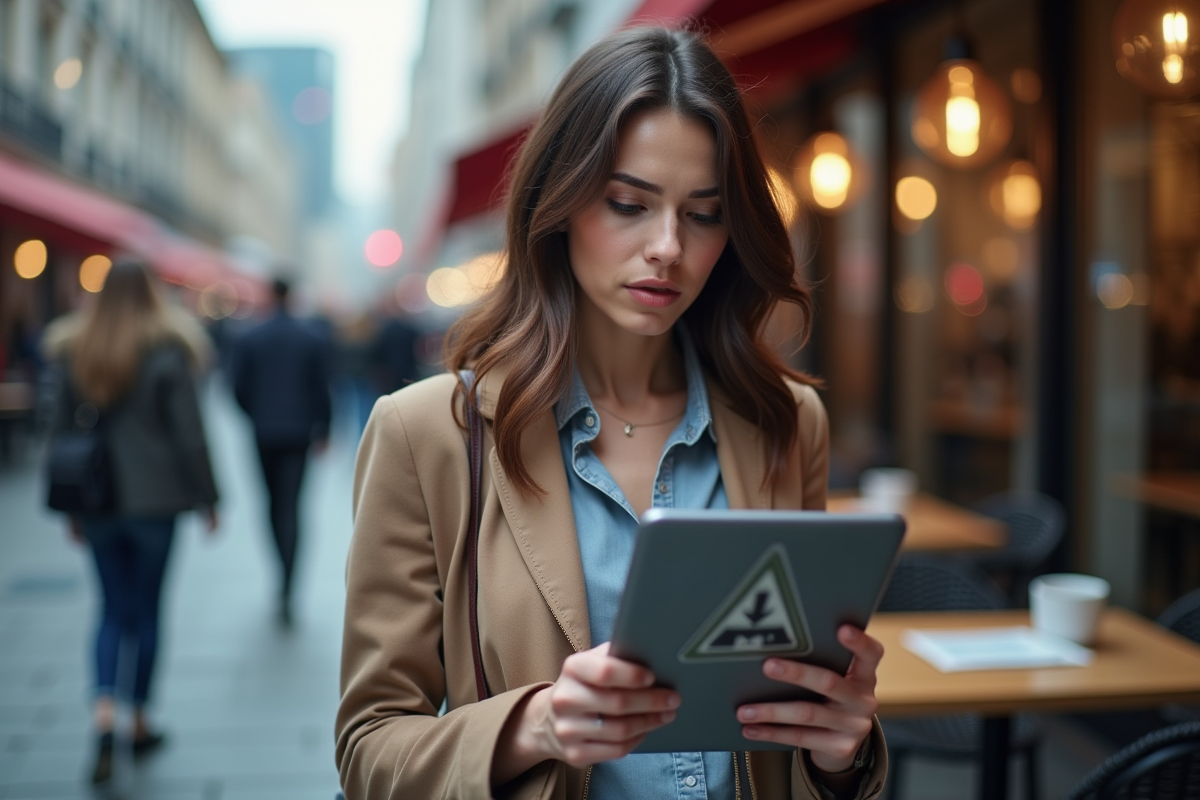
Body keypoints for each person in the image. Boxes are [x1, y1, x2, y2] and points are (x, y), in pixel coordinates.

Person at [336, 25, 888, 800]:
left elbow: (786, 730)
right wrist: (537, 724)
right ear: (559, 205)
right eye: (629, 203)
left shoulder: (787, 422)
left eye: (704, 213)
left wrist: (840, 755)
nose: (667, 246)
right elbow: (368, 748)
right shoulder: (426, 435)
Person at [43, 258, 220, 784]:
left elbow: (58, 433)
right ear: (151, 295)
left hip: (96, 499)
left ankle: (102, 716)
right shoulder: (168, 349)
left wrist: (71, 506)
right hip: (155, 502)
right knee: (146, 612)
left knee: (110, 609)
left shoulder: (76, 348)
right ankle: (139, 720)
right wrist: (209, 498)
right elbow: (190, 434)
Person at [232, 276, 332, 626]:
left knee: (272, 504)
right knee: (292, 505)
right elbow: (322, 388)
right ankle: (289, 580)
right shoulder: (311, 337)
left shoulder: (250, 336)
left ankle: (281, 572)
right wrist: (325, 428)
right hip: (299, 432)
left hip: (264, 431)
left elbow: (237, 389)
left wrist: (257, 415)